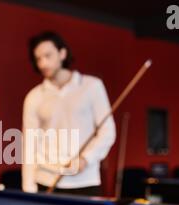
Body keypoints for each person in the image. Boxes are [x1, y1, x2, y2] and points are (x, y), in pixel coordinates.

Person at [22, 31, 116, 196]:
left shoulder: (92, 86)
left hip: (86, 182)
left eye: (47, 55)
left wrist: (86, 159)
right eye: (38, 59)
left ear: (62, 53)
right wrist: (28, 190)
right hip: (46, 182)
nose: (43, 63)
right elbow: (29, 145)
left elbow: (108, 131)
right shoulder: (33, 97)